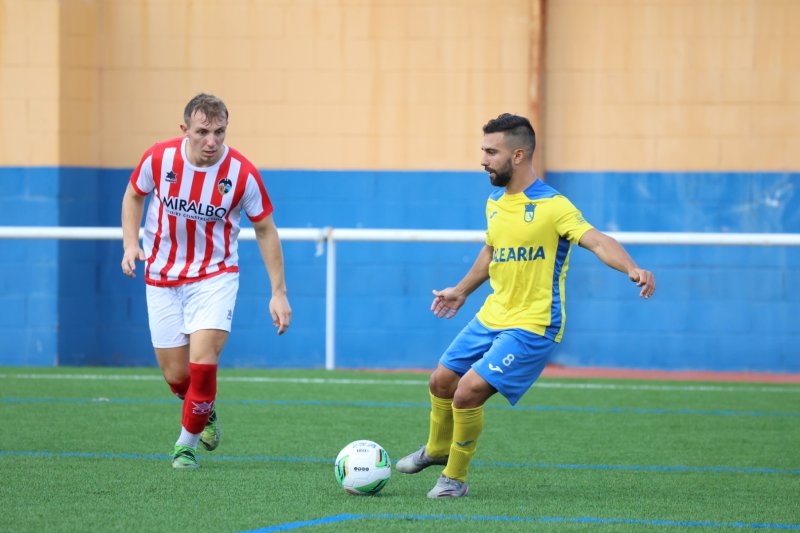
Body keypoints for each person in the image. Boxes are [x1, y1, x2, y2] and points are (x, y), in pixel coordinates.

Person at [395, 113, 656, 498]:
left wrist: (632, 267)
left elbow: (597, 240)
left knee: (467, 391)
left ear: (518, 155)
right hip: (492, 315)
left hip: (533, 325)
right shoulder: (495, 202)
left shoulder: (554, 206)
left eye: (490, 152)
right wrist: (462, 291)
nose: (482, 160)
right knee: (441, 381)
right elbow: (491, 252)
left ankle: (454, 479)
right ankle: (436, 449)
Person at [120, 93, 292, 469]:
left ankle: (185, 446)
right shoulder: (159, 158)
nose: (211, 141)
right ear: (185, 130)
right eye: (202, 132)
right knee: (176, 376)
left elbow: (265, 229)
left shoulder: (242, 173)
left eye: (219, 132)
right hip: (162, 277)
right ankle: (204, 410)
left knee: (203, 362)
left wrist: (278, 293)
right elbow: (134, 194)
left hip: (215, 277)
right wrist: (131, 243)